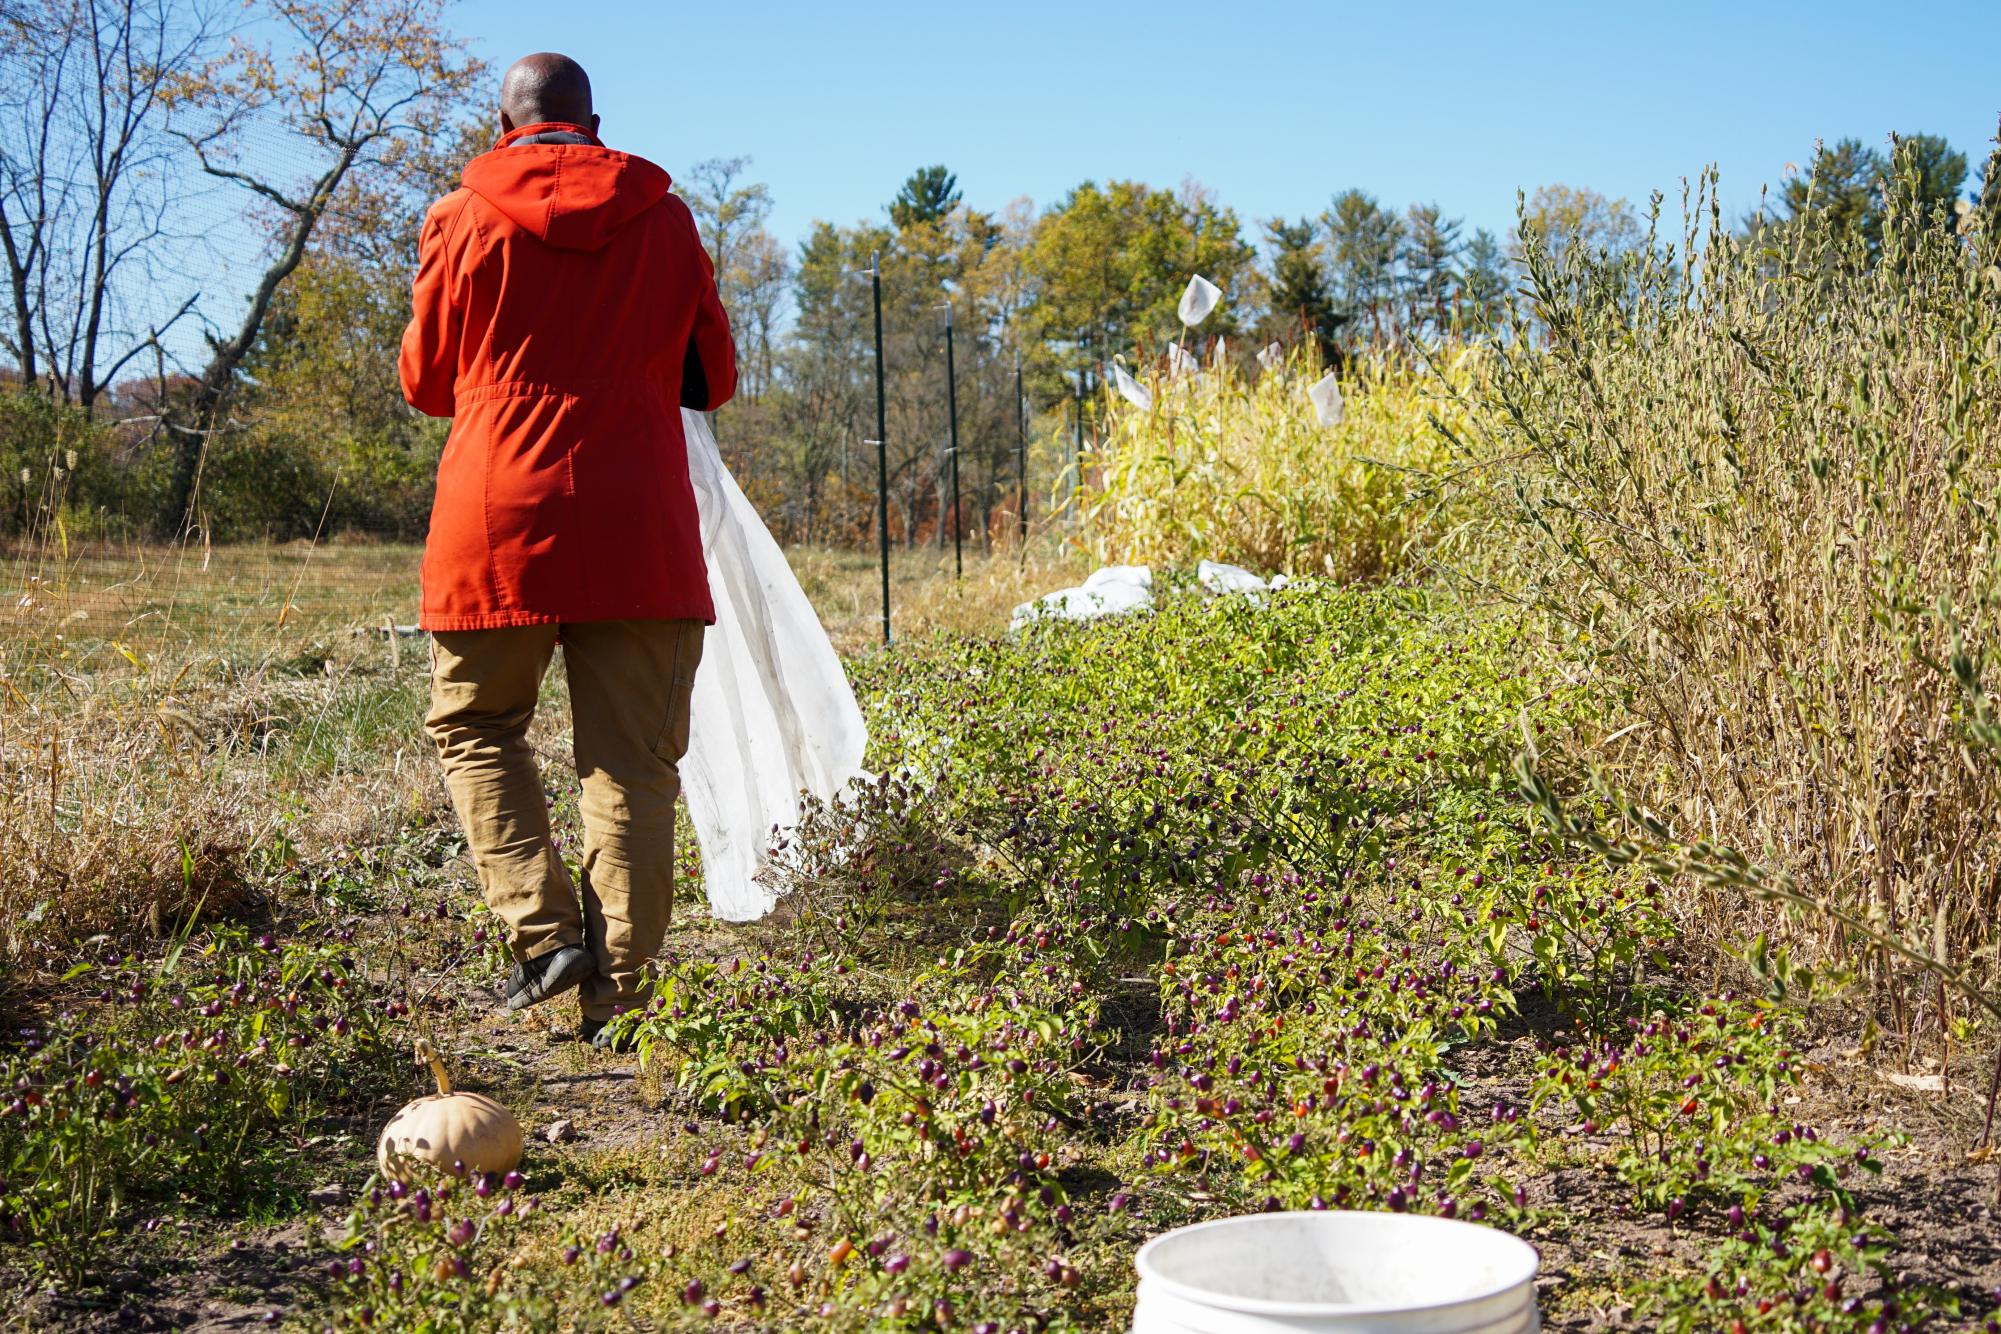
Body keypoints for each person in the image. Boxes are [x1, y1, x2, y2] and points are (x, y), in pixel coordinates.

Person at [398, 52, 735, 1049]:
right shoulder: (665, 217)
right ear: (596, 121)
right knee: (632, 766)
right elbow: (710, 375)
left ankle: (544, 934)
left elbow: (425, 381)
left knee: (476, 721)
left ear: (503, 122)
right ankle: (620, 1005)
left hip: (498, 513)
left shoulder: (459, 216)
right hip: (639, 517)